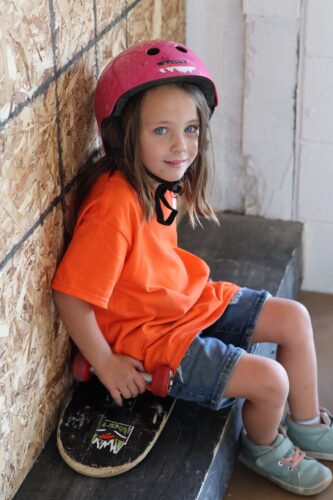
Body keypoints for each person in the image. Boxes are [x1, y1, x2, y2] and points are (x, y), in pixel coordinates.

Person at [52, 39, 333, 496]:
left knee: (295, 318)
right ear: (124, 132)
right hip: (150, 335)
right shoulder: (113, 206)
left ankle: (306, 424)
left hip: (185, 300)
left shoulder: (160, 180)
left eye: (191, 129)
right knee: (269, 380)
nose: (181, 146)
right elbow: (70, 294)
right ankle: (263, 445)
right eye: (161, 130)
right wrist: (104, 362)